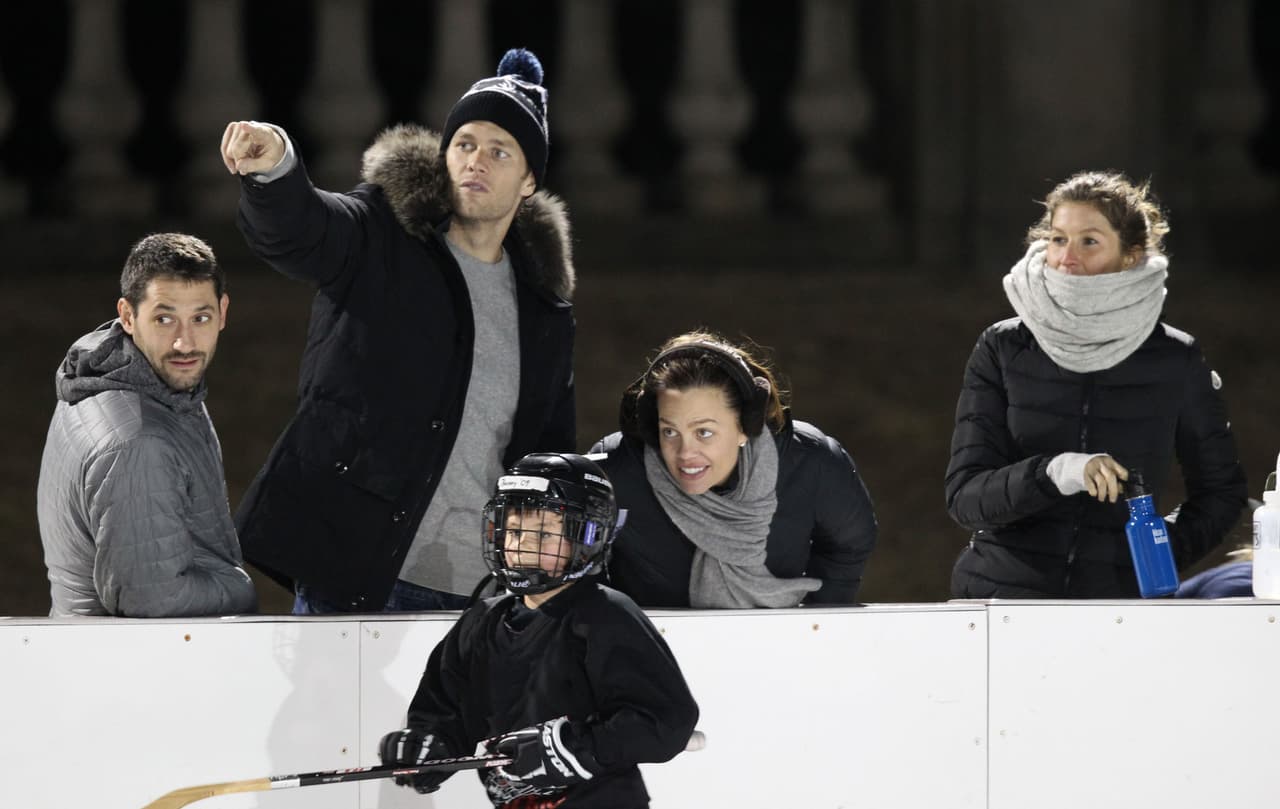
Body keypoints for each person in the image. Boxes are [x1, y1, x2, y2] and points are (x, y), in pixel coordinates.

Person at [219, 49, 576, 613]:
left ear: (529, 180)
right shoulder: (384, 234)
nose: (476, 161)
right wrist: (276, 170)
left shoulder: (545, 310)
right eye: (464, 144)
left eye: (499, 151)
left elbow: (547, 452)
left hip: (480, 593)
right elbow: (305, 231)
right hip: (358, 571)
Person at [945, 171, 1248, 598]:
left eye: (1089, 241)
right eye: (1057, 238)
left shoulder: (1175, 358)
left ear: (1130, 255)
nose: (1067, 257)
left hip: (1116, 609)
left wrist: (1152, 554)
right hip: (1000, 600)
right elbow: (965, 497)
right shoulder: (1003, 346)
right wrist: (1058, 471)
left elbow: (1220, 491)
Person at [378, 453, 699, 808]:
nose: (523, 546)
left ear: (589, 536)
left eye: (543, 534)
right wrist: (428, 748)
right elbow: (447, 712)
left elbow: (666, 720)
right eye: (514, 531)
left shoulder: (604, 615)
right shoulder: (481, 621)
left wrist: (572, 747)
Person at [36, 233, 257, 617]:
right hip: (126, 667)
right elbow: (153, 599)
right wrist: (238, 586)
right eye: (164, 319)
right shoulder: (138, 442)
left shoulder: (140, 384)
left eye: (200, 318)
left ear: (223, 312)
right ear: (127, 315)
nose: (185, 342)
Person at [589, 331, 878, 608]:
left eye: (703, 432)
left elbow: (850, 543)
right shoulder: (612, 471)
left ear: (746, 427)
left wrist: (815, 624)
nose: (685, 453)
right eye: (669, 431)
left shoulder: (812, 462)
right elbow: (580, 565)